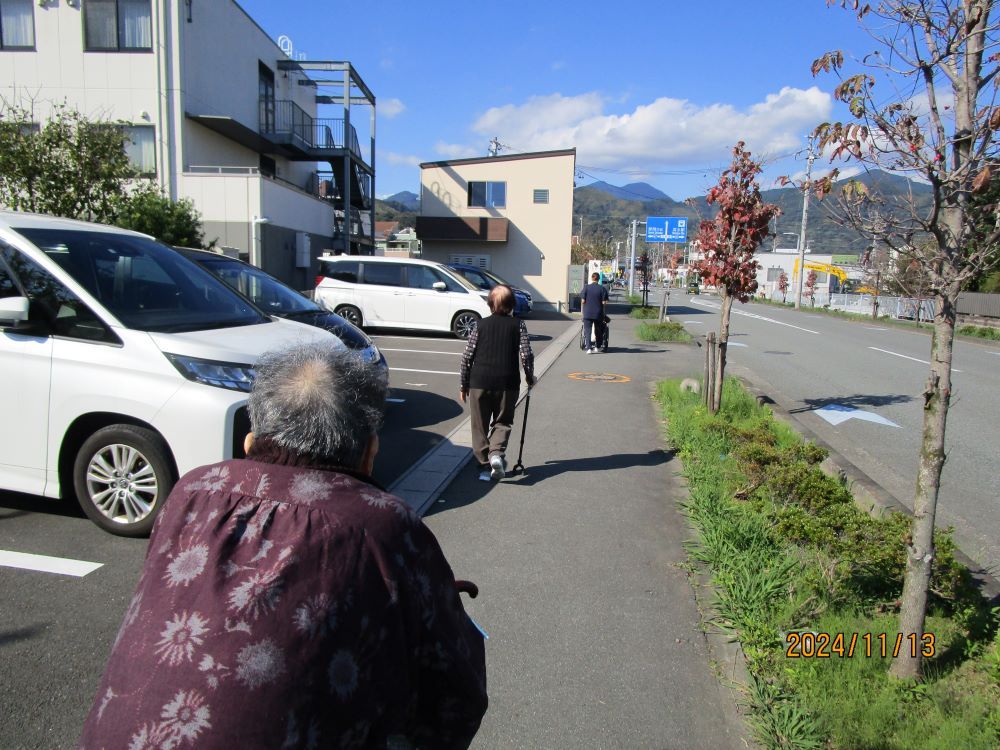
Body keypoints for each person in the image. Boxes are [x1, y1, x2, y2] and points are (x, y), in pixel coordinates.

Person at [79, 344, 488, 750]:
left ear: (251, 442)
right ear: (370, 453)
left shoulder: (193, 489)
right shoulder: (382, 526)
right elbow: (457, 694)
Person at [459, 285, 535, 482]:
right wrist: (529, 376)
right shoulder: (518, 325)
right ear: (511, 305)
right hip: (507, 382)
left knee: (479, 425)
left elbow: (467, 356)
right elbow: (526, 354)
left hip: (479, 381)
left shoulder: (480, 325)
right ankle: (496, 455)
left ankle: (485, 466)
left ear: (490, 304)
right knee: (503, 422)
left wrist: (463, 384)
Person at [580, 271, 609, 354]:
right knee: (598, 330)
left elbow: (582, 301)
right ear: (599, 279)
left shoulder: (586, 288)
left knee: (588, 331)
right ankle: (597, 346)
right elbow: (604, 303)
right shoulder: (602, 289)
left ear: (592, 278)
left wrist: (583, 312)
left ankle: (589, 348)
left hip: (587, 313)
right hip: (598, 313)